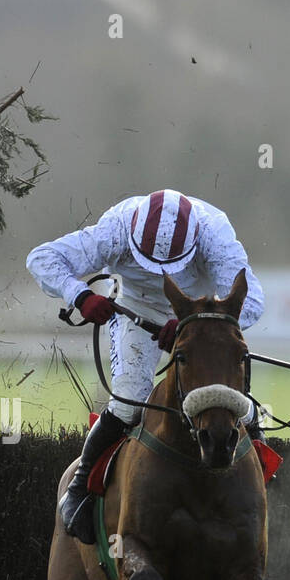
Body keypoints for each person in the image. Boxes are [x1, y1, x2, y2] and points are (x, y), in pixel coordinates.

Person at [26, 188, 266, 543]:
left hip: (201, 315)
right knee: (128, 401)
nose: (162, 273)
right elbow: (41, 258)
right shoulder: (116, 228)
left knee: (231, 403)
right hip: (138, 310)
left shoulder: (215, 232)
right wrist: (80, 295)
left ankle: (262, 471)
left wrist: (194, 321)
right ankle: (80, 488)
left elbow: (252, 302)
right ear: (135, 234)